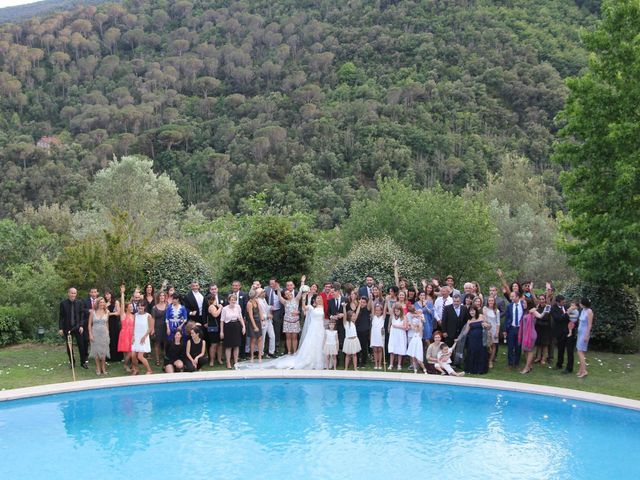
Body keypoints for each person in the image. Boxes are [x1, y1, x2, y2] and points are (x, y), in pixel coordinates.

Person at [236, 293, 327, 370]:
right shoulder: (311, 307)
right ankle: (309, 360)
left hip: (320, 328)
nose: (319, 299)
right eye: (317, 298)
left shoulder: (323, 308)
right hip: (313, 328)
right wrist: (303, 298)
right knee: (311, 343)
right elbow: (303, 308)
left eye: (320, 298)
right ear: (315, 300)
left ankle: (319, 361)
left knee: (319, 343)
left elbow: (323, 319)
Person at [58, 287, 87, 369]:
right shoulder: (63, 303)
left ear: (76, 294)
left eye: (74, 293)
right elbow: (61, 317)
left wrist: (81, 325)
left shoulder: (79, 303)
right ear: (68, 293)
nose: (73, 295)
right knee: (69, 346)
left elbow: (82, 315)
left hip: (78, 327)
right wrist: (60, 328)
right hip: (67, 328)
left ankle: (83, 362)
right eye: (71, 293)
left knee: (81, 345)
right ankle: (72, 362)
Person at [278, 275, 306, 354]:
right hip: (287, 321)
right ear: (285, 296)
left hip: (295, 321)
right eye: (287, 294)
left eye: (289, 293)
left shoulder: (296, 299)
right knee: (288, 337)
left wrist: (302, 282)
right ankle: (289, 352)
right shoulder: (285, 302)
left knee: (294, 337)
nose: (289, 294)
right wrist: (278, 289)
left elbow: (301, 290)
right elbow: (279, 296)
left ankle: (295, 352)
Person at [518, 298, 545, 374]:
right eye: (523, 303)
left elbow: (540, 316)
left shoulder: (532, 311)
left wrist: (545, 310)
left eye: (525, 303)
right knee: (525, 350)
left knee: (530, 351)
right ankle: (529, 366)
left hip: (531, 334)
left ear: (528, 304)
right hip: (525, 334)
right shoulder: (525, 312)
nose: (523, 305)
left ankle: (527, 368)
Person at [551, 294, 575, 373]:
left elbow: (573, 316)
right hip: (560, 332)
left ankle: (569, 368)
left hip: (569, 331)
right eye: (562, 302)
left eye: (564, 301)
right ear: (558, 302)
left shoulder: (567, 306)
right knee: (560, 349)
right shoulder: (553, 308)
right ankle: (559, 364)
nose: (564, 303)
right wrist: (567, 313)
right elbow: (558, 319)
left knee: (570, 350)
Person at [220, 294, 246, 368]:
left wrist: (243, 327)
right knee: (228, 346)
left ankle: (236, 362)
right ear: (228, 301)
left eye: (234, 300)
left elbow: (240, 317)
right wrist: (221, 332)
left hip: (236, 326)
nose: (233, 301)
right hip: (228, 327)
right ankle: (228, 362)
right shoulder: (225, 309)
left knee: (236, 345)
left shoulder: (238, 307)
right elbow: (222, 321)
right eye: (231, 300)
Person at [463, 305, 490, 375]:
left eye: (473, 310)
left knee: (481, 352)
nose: (472, 312)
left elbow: (488, 326)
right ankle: (472, 369)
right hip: (472, 340)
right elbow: (465, 332)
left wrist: (486, 325)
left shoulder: (481, 316)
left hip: (481, 339)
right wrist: (467, 325)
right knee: (472, 352)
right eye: (470, 311)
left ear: (476, 311)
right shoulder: (469, 321)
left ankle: (481, 369)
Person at [130, 300, 153, 375]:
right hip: (136, 337)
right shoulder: (135, 315)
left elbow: (150, 328)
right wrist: (133, 336)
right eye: (139, 305)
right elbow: (133, 326)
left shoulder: (148, 316)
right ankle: (136, 370)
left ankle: (149, 370)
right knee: (133, 355)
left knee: (140, 356)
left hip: (144, 338)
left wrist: (145, 336)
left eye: (142, 305)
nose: (140, 307)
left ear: (145, 307)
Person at [88, 297, 110, 375]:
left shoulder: (107, 312)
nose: (102, 304)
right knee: (96, 352)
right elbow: (89, 324)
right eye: (100, 302)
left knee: (103, 352)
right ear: (98, 303)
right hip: (95, 333)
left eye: (103, 302)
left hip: (104, 334)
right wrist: (90, 334)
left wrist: (108, 333)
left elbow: (107, 323)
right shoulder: (93, 312)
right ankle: (98, 368)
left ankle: (103, 368)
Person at [504, 291, 525, 369]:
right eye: (511, 296)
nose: (511, 298)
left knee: (518, 347)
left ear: (517, 297)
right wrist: (505, 329)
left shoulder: (523, 305)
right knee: (510, 347)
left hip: (520, 329)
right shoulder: (509, 306)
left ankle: (517, 363)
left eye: (512, 296)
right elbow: (507, 318)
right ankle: (510, 363)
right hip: (511, 329)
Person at [118, 286, 135, 372]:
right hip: (125, 334)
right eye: (130, 307)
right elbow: (122, 303)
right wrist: (122, 293)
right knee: (127, 352)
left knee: (132, 352)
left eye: (132, 306)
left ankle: (129, 365)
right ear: (126, 308)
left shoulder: (133, 316)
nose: (132, 308)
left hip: (132, 335)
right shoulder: (123, 315)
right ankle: (126, 365)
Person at [265, 278, 284, 355]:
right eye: (270, 283)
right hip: (268, 311)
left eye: (273, 283)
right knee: (267, 328)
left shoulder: (281, 290)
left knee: (276, 329)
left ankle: (276, 346)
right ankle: (267, 346)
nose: (271, 285)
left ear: (276, 283)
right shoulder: (265, 289)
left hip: (277, 311)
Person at [576, 298, 594, 378]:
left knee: (580, 352)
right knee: (581, 352)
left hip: (584, 333)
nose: (579, 304)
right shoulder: (583, 310)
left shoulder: (589, 311)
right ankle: (581, 370)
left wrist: (586, 335)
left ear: (584, 304)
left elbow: (589, 325)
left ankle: (584, 371)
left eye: (580, 303)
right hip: (580, 333)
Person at [534, 294, 553, 365]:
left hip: (545, 327)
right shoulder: (537, 307)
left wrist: (538, 316)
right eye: (540, 299)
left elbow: (545, 317)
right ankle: (538, 357)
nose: (541, 300)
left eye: (543, 299)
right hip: (538, 327)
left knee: (545, 344)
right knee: (538, 343)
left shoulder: (547, 307)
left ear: (545, 300)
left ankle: (543, 358)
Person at [205, 292, 223, 366]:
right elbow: (215, 314)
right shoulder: (211, 306)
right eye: (211, 299)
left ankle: (219, 359)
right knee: (214, 344)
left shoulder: (215, 305)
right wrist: (221, 307)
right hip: (213, 327)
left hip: (218, 326)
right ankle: (212, 360)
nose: (212, 300)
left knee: (220, 344)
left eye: (213, 299)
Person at [104, 289, 122, 362]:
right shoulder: (104, 303)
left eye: (108, 294)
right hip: (107, 322)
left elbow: (118, 312)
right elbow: (102, 312)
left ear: (111, 294)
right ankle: (109, 356)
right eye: (105, 294)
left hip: (114, 322)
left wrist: (110, 314)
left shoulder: (116, 302)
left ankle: (117, 357)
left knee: (115, 338)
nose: (107, 296)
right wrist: (105, 306)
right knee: (109, 339)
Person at [388, 304, 408, 370]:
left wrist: (397, 326)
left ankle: (399, 365)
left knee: (400, 349)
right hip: (393, 335)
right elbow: (390, 308)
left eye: (398, 311)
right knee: (392, 350)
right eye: (395, 311)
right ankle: (391, 364)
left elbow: (405, 327)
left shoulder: (404, 317)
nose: (396, 312)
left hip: (400, 335)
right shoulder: (393, 316)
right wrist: (389, 302)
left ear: (401, 311)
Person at [483, 295, 500, 368]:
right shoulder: (485, 308)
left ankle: (490, 361)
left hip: (494, 330)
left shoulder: (497, 311)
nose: (490, 302)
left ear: (494, 302)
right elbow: (484, 319)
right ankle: (485, 359)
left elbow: (498, 322)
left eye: (492, 300)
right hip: (486, 329)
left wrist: (497, 332)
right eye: (489, 300)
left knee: (493, 346)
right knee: (487, 345)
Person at [246, 289, 263, 363]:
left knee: (259, 339)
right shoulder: (249, 303)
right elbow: (250, 316)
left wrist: (262, 317)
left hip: (258, 321)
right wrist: (255, 326)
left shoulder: (256, 301)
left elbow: (260, 310)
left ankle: (259, 356)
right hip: (252, 323)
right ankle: (252, 356)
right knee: (253, 340)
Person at [354, 295, 372, 367]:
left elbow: (369, 305)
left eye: (364, 302)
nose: (362, 303)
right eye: (361, 302)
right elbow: (356, 314)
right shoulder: (358, 309)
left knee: (364, 346)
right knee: (358, 346)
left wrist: (370, 298)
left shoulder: (367, 309)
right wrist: (359, 304)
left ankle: (363, 362)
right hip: (358, 330)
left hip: (365, 330)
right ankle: (358, 361)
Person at [151, 291, 168, 367]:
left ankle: (166, 357)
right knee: (157, 343)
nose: (162, 297)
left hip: (166, 327)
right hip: (157, 327)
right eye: (160, 296)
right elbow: (153, 319)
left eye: (163, 296)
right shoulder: (154, 308)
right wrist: (152, 329)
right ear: (158, 297)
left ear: (165, 297)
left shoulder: (168, 306)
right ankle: (157, 359)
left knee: (166, 343)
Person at [370, 303, 386, 370]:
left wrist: (387, 302)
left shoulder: (383, 318)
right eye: (376, 310)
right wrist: (371, 300)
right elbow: (372, 308)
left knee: (380, 349)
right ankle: (376, 364)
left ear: (381, 311)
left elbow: (385, 309)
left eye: (379, 310)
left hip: (380, 335)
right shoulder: (374, 317)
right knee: (375, 349)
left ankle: (380, 364)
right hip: (374, 335)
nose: (377, 312)